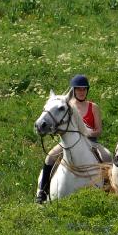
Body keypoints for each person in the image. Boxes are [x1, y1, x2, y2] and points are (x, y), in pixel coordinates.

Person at [36, 74, 106, 203]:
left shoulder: (93, 107)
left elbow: (99, 130)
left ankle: (108, 190)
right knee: (50, 157)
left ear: (87, 90)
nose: (81, 92)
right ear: (73, 91)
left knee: (108, 157)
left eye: (84, 89)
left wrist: (88, 132)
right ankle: (42, 191)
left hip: (91, 142)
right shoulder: (68, 106)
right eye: (78, 89)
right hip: (69, 142)